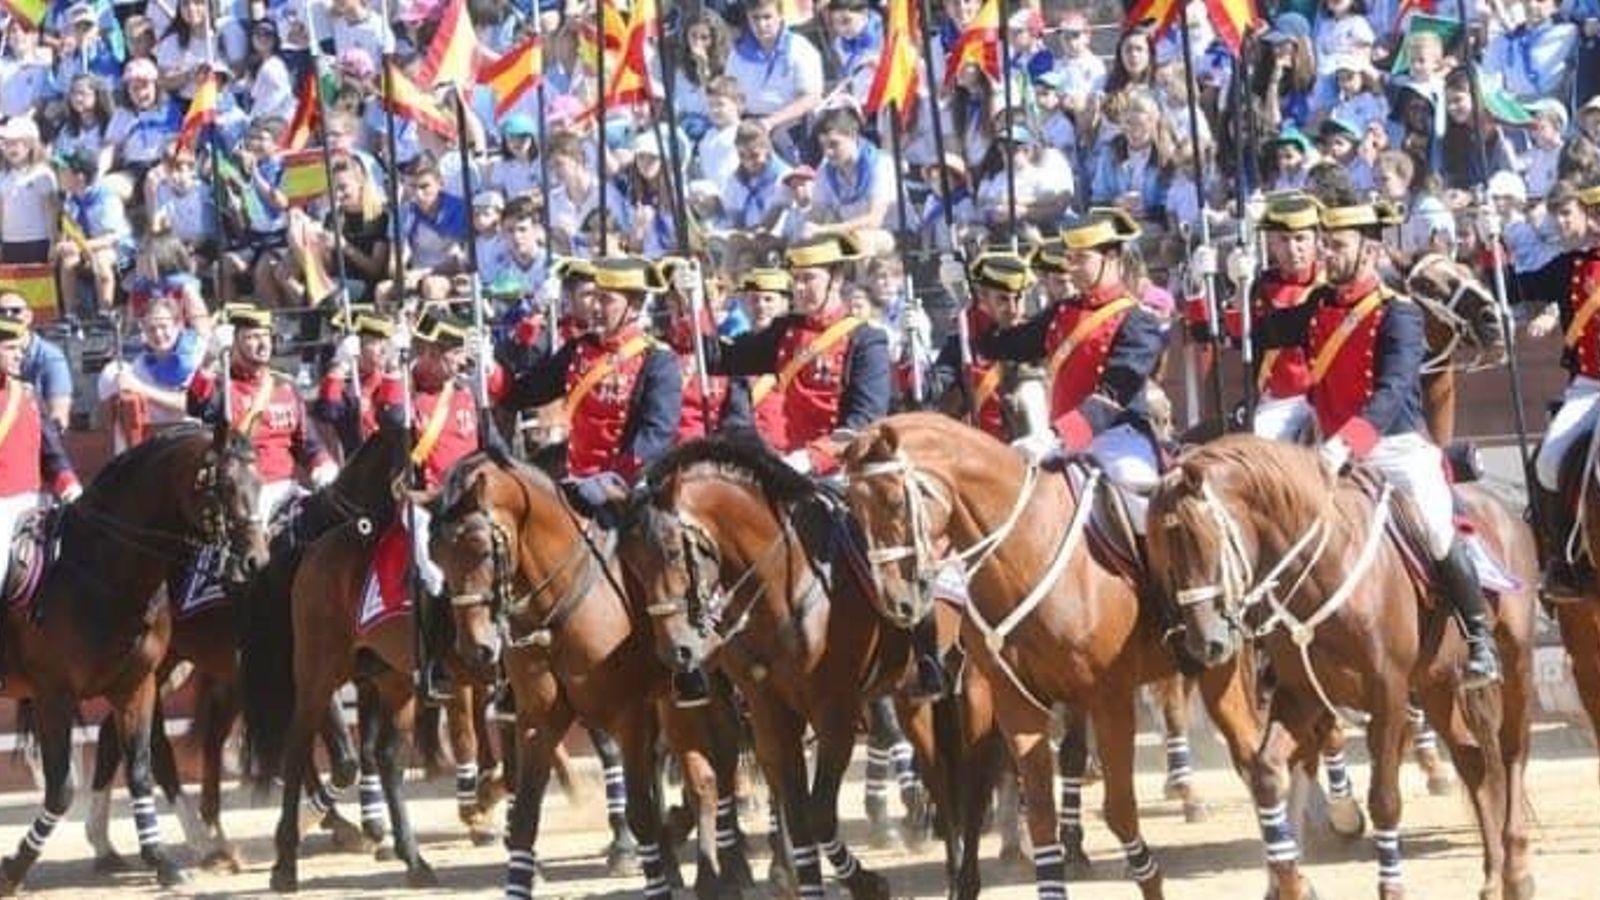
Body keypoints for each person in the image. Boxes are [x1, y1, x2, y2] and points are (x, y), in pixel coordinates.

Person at [1254, 195, 1502, 688]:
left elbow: (1393, 391)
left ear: (1369, 252)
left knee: (1434, 525)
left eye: (1338, 246)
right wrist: (1232, 287)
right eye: (1325, 244)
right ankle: (1273, 644)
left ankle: (1479, 637)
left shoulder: (1400, 313)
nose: (1327, 254)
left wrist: (1347, 443)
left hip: (1391, 445)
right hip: (1327, 443)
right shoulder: (1317, 306)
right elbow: (1262, 334)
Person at [696, 233, 935, 701]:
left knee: (893, 547)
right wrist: (693, 303)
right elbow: (721, 358)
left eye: (809, 279)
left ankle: (922, 652)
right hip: (788, 469)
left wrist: (812, 457)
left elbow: (864, 421)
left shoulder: (865, 340)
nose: (801, 288)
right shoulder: (785, 334)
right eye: (796, 279)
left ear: (838, 279)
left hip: (848, 469)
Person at [974, 209, 1169, 540]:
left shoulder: (1139, 321)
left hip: (1117, 436)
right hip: (1058, 437)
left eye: (1081, 259)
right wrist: (971, 301)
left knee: (1142, 506)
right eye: (1069, 258)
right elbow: (1005, 346)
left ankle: (1157, 587)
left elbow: (1113, 396)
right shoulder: (1063, 311)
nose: (1071, 267)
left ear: (1111, 257)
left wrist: (1057, 436)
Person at [186, 303, 338, 525]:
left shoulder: (285, 386)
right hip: (245, 493)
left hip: (288, 489)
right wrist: (209, 359)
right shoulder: (223, 385)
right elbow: (197, 406)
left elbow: (308, 443)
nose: (262, 343)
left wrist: (322, 464)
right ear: (234, 342)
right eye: (252, 337)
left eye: (266, 336)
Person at [1526, 180, 1600, 598]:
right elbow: (1524, 285)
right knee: (1549, 460)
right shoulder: (1572, 266)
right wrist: (1494, 261)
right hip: (1590, 385)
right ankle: (1563, 560)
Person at [0, 316, 80, 636]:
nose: (20, 355)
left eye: (21, 349)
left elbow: (52, 454)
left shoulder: (29, 395)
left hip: (36, 503)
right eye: (10, 348)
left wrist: (72, 489)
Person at [1241, 192, 1323, 442]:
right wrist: (1238, 290)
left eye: (1300, 239)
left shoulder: (1332, 283)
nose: (1292, 249)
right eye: (1283, 240)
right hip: (1282, 400)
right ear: (1272, 244)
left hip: (1327, 395)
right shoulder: (1260, 287)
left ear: (1316, 241)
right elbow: (1239, 337)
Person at [97, 296, 203, 452]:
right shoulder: (140, 365)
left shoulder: (197, 358)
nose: (158, 334)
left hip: (190, 440)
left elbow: (190, 405)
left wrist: (140, 388)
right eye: (151, 329)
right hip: (155, 445)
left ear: (177, 325)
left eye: (163, 327)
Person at [313, 312, 400, 457]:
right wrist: (341, 364)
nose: (384, 349)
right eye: (376, 342)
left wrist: (394, 370)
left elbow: (396, 417)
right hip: (355, 462)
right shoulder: (343, 382)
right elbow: (328, 411)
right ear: (358, 345)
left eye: (387, 342)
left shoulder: (392, 378)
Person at [0, 294, 72, 432]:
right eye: (1, 312)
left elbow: (60, 419)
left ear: (29, 316)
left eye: (15, 311)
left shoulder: (50, 358)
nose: (8, 316)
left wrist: (32, 404)